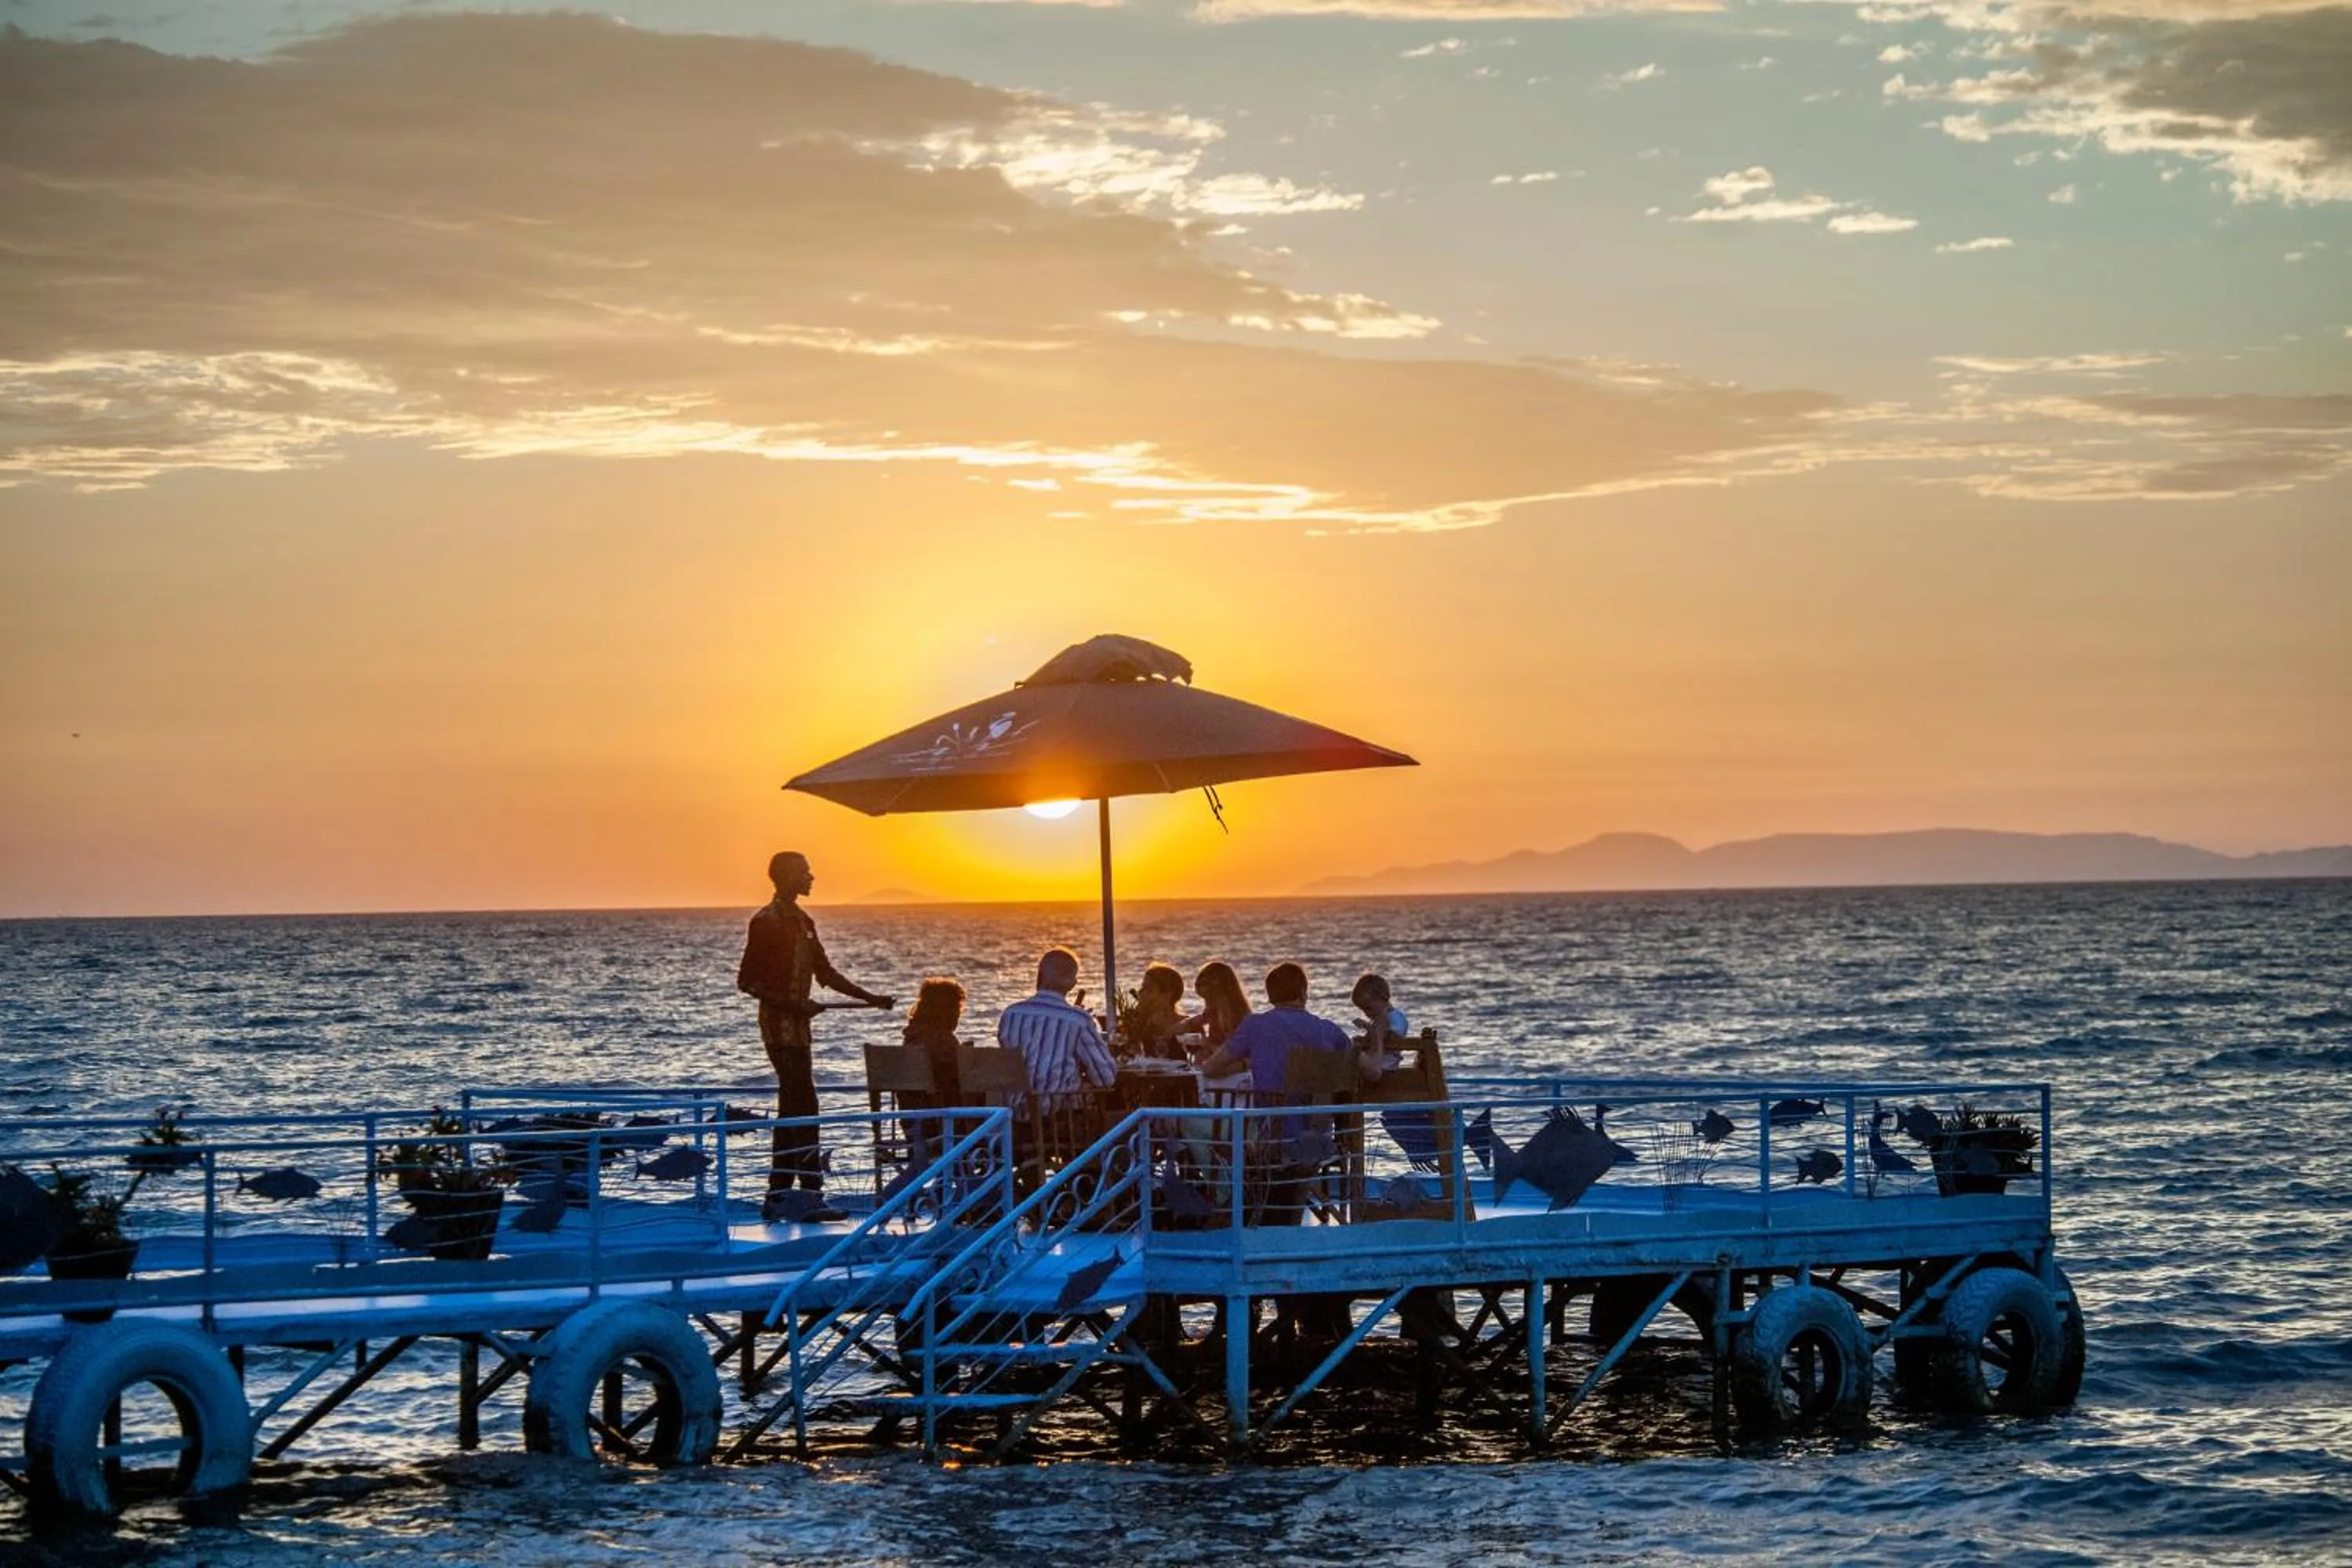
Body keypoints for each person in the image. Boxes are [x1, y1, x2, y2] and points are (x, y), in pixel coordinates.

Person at [736, 851, 893, 1225]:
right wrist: (795, 1005)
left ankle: (782, 1196)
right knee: (803, 1108)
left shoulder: (804, 922)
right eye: (805, 871)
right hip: (779, 1031)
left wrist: (871, 999)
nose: (812, 876)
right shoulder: (766, 922)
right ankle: (805, 1195)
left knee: (796, 1109)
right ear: (787, 875)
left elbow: (826, 973)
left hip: (799, 1032)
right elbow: (748, 981)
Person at [997, 948, 1120, 1108]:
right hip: (1060, 1119)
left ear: (1039, 975)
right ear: (1073, 984)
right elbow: (1106, 1078)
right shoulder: (1079, 1020)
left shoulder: (1010, 1014)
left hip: (1013, 1117)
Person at [899, 978, 966, 1164]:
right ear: (947, 1011)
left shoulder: (911, 1040)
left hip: (912, 1125)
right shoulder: (943, 1043)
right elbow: (958, 1082)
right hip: (942, 1127)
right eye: (958, 1009)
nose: (959, 1015)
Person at [1183, 960, 1253, 1056]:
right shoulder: (1212, 1011)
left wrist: (1207, 1044)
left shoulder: (1235, 1016)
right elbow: (1194, 1021)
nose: (1206, 1003)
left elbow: (1234, 1053)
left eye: (1209, 998)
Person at [1123, 963, 1189, 1061]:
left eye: (1148, 989)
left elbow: (1199, 1065)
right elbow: (1126, 1060)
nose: (1140, 993)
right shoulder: (1134, 1027)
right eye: (1142, 988)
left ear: (1167, 995)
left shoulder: (1188, 1027)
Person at [1350, 973, 1410, 1065]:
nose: (1366, 1013)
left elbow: (1389, 1038)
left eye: (1368, 1008)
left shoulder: (1396, 1018)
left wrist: (1368, 1028)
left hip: (1386, 1069)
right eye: (1362, 1010)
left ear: (1383, 998)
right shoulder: (1378, 1019)